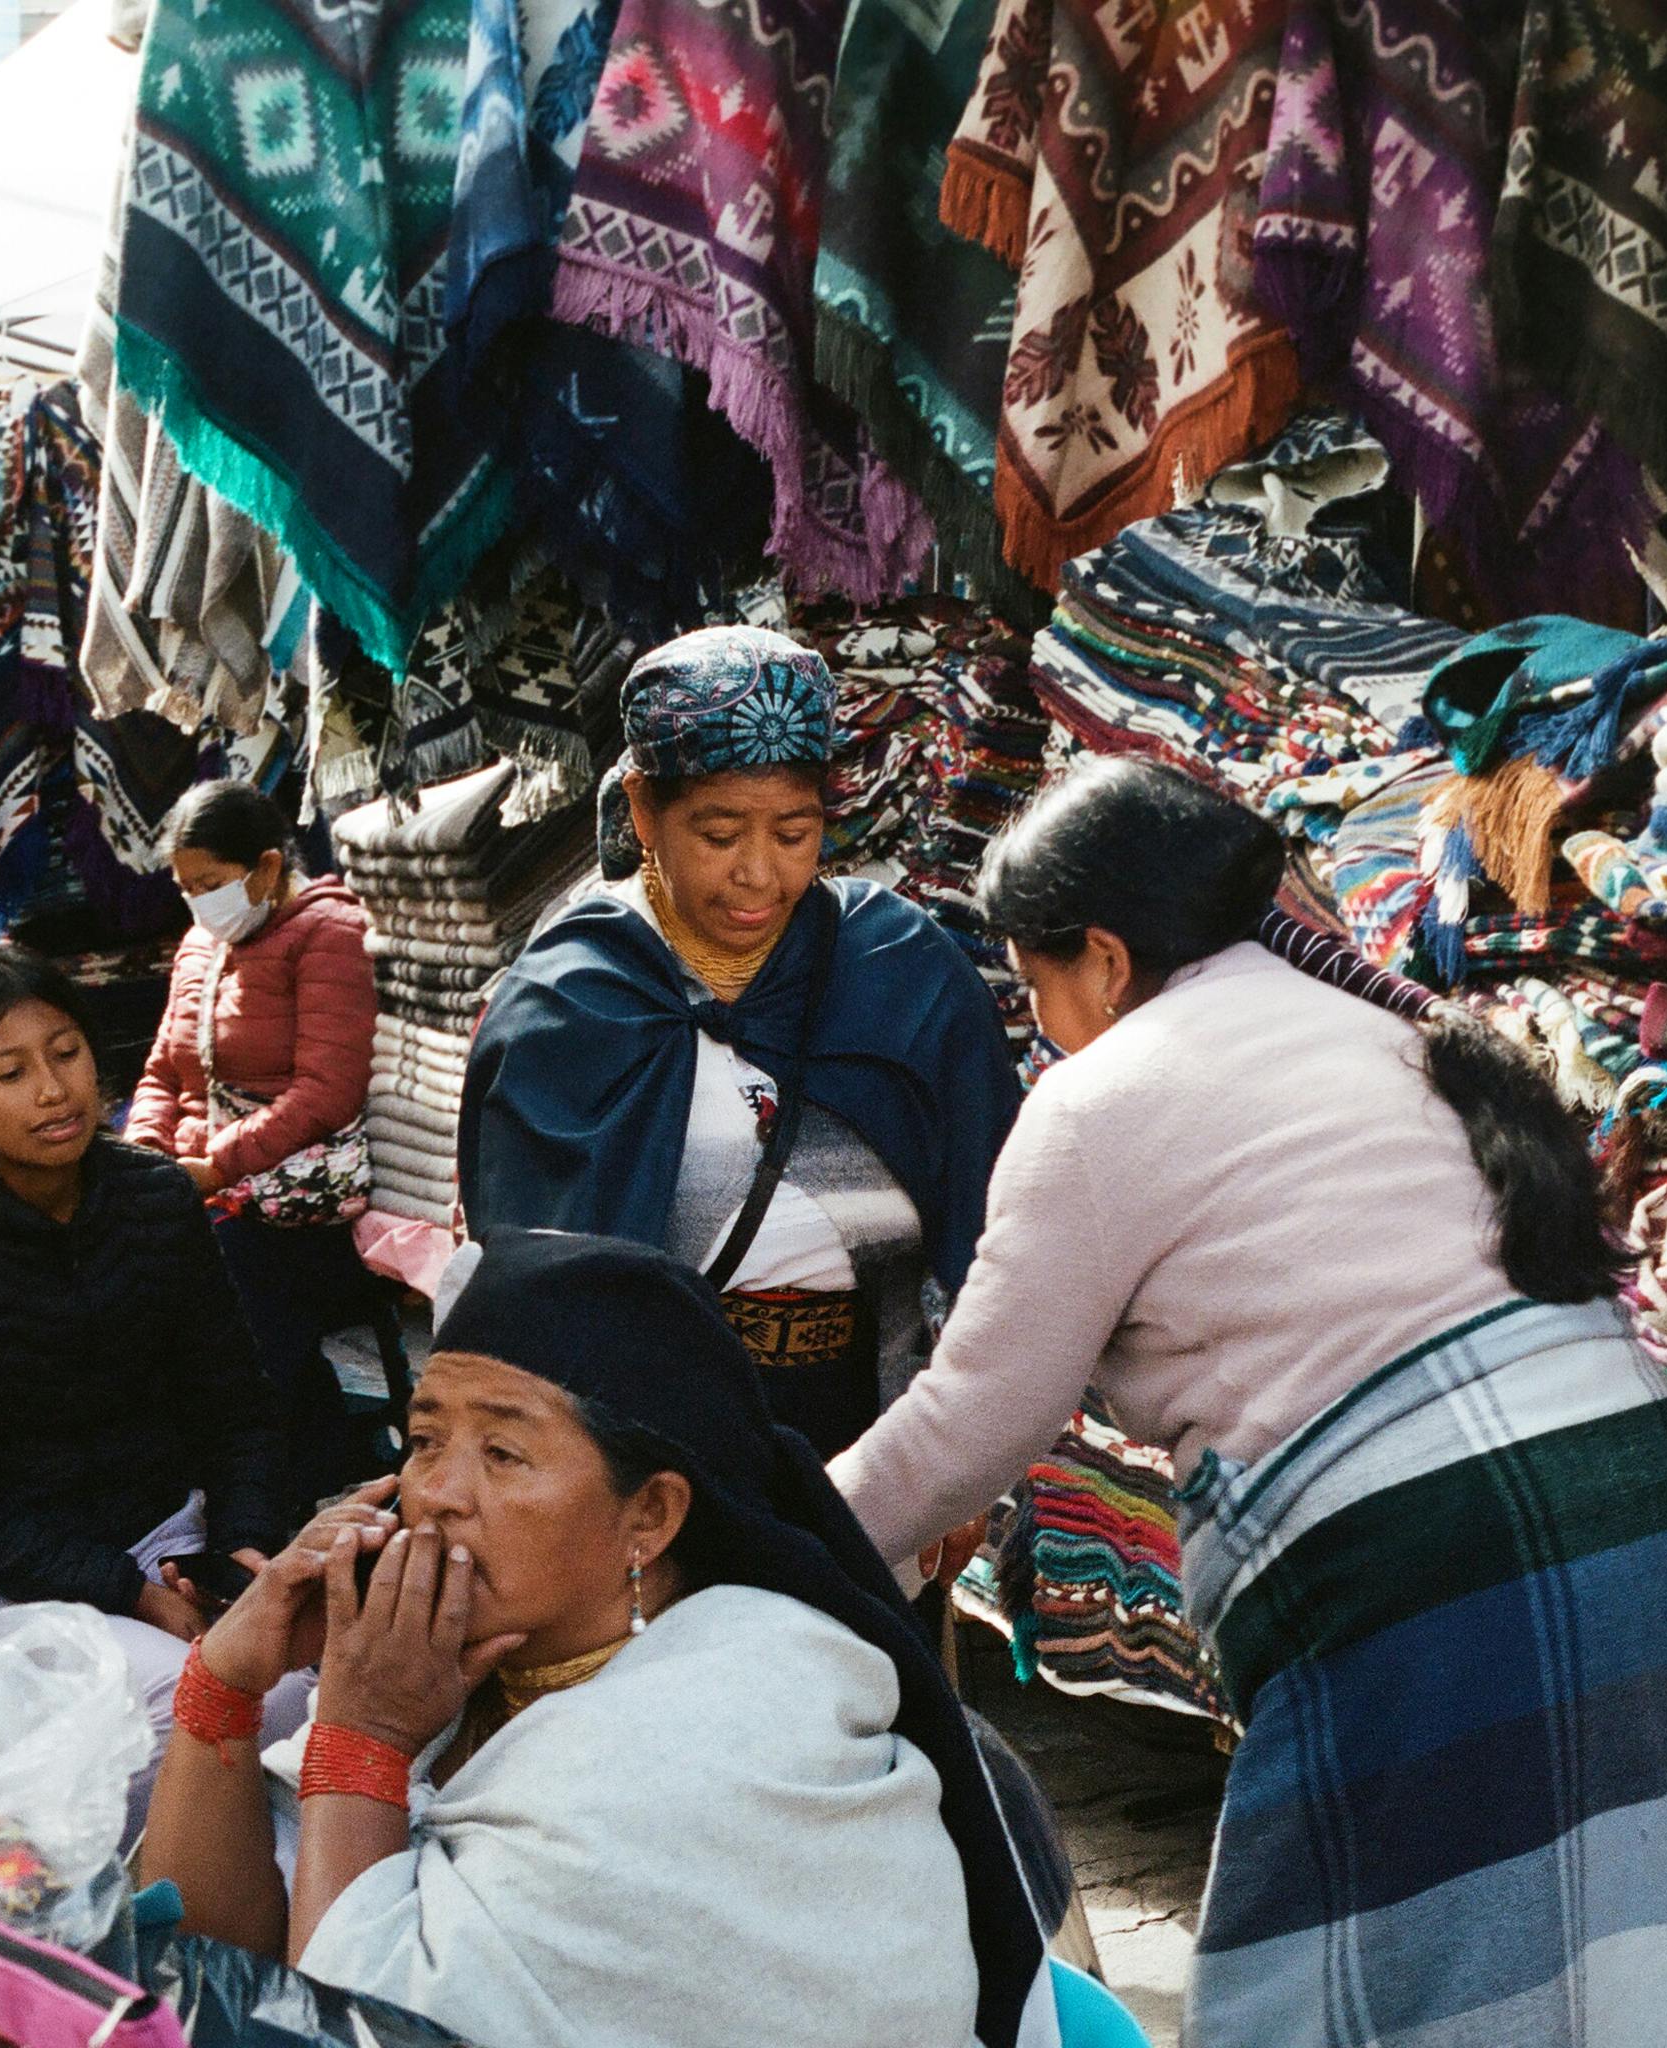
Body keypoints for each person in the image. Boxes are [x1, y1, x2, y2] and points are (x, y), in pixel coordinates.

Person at [829, 759, 1667, 2048]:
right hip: (1639, 1498)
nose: (1042, 1022)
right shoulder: (1384, 1030)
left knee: (1369, 1977)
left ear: (1105, 959)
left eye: (1035, 983)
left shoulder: (1093, 1103)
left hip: (1435, 1554)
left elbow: (972, 1421)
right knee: (1625, 1932)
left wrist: (768, 1537)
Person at [137, 1230, 1051, 2048]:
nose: (437, 1494)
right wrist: (226, 1682)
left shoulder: (732, 1720)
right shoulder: (455, 1670)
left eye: (502, 1454)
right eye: (422, 1441)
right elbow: (210, 1973)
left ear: (648, 1515)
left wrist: (362, 1743)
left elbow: (359, 2035)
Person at [461, 626, 1020, 1458]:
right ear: (644, 810)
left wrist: (965, 1451)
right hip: (640, 1440)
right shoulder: (574, 999)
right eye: (719, 836)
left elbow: (993, 1227)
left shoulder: (897, 971)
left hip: (879, 1432)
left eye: (792, 835)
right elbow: (527, 1287)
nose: (758, 874)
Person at [0, 945, 303, 1805]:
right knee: (179, 1714)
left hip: (158, 1526)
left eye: (66, 1053)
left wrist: (238, 1550)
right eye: (10, 1073)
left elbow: (236, 1405)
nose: (54, 1091)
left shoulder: (158, 1199)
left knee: (296, 1689)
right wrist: (128, 1593)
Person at [128, 779, 385, 1503]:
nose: (198, 903)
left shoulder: (329, 935)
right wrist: (144, 1150)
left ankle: (277, 1480)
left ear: (267, 867)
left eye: (210, 884)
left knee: (222, 1281)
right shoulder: (199, 946)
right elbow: (162, 1071)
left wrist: (215, 1167)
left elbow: (325, 1093)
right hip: (204, 1183)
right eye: (186, 889)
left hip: (299, 1204)